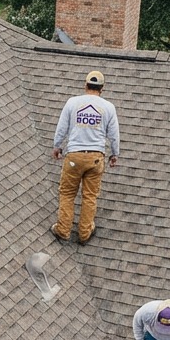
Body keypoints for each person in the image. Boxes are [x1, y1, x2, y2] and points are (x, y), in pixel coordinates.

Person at [51, 70, 120, 244]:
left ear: (85, 85)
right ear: (101, 89)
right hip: (96, 158)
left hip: (74, 156)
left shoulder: (72, 103)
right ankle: (84, 233)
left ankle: (63, 230)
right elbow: (114, 134)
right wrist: (114, 154)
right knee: (90, 196)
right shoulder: (108, 107)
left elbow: (62, 127)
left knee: (67, 194)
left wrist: (57, 146)